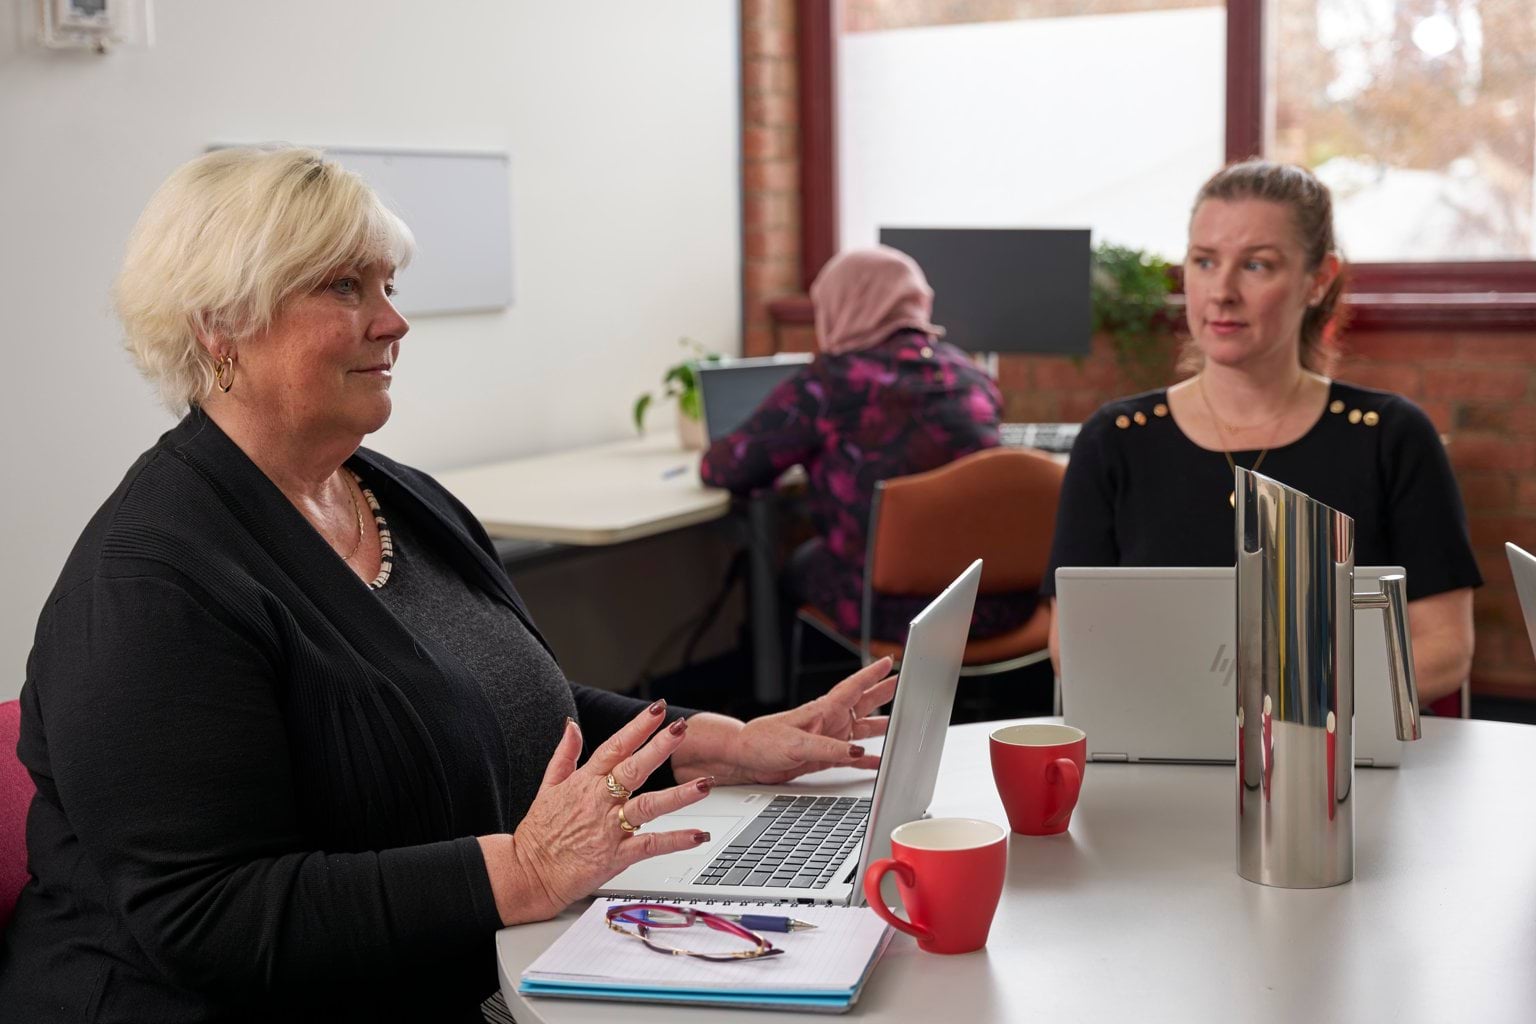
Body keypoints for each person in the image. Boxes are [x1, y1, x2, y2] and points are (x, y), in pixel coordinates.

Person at [0, 147, 899, 1023]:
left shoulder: (393, 495)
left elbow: (504, 707)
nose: (392, 323)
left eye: (387, 287)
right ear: (217, 326)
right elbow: (211, 918)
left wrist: (717, 743)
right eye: (344, 288)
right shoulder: (149, 584)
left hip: (459, 970)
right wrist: (526, 872)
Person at [1043, 160, 1480, 706]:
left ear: (1318, 280)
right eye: (1204, 261)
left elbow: (1445, 646)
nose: (1221, 291)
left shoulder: (1389, 437)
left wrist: (1297, 712)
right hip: (1163, 755)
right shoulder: (1115, 440)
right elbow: (1072, 644)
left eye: (1256, 265)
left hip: (1335, 762)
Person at [701, 246, 1034, 643]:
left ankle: (788, 701)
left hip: (889, 609)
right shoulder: (969, 372)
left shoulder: (829, 381)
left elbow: (725, 468)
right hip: (995, 599)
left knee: (795, 566)